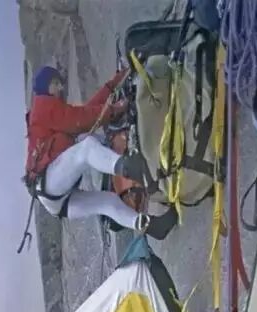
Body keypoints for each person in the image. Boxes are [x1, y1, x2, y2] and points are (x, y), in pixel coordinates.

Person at [25, 66, 177, 240]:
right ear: (45, 86)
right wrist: (116, 109)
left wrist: (114, 84)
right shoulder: (42, 107)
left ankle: (154, 227)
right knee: (87, 147)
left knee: (108, 203)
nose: (60, 88)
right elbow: (80, 120)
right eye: (55, 83)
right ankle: (132, 168)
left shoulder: (49, 112)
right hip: (49, 182)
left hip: (54, 201)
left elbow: (87, 112)